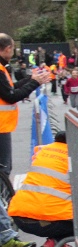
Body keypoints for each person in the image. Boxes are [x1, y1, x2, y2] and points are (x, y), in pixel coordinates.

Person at [7, 131, 75, 247]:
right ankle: (56, 243)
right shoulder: (74, 158)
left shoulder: (43, 152)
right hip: (45, 223)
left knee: (59, 207)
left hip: (18, 218)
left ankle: (58, 245)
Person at [0, 33, 51, 182]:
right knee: (4, 169)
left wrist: (31, 79)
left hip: (3, 125)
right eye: (13, 49)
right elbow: (11, 96)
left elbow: (9, 88)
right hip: (1, 126)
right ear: (8, 48)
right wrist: (35, 83)